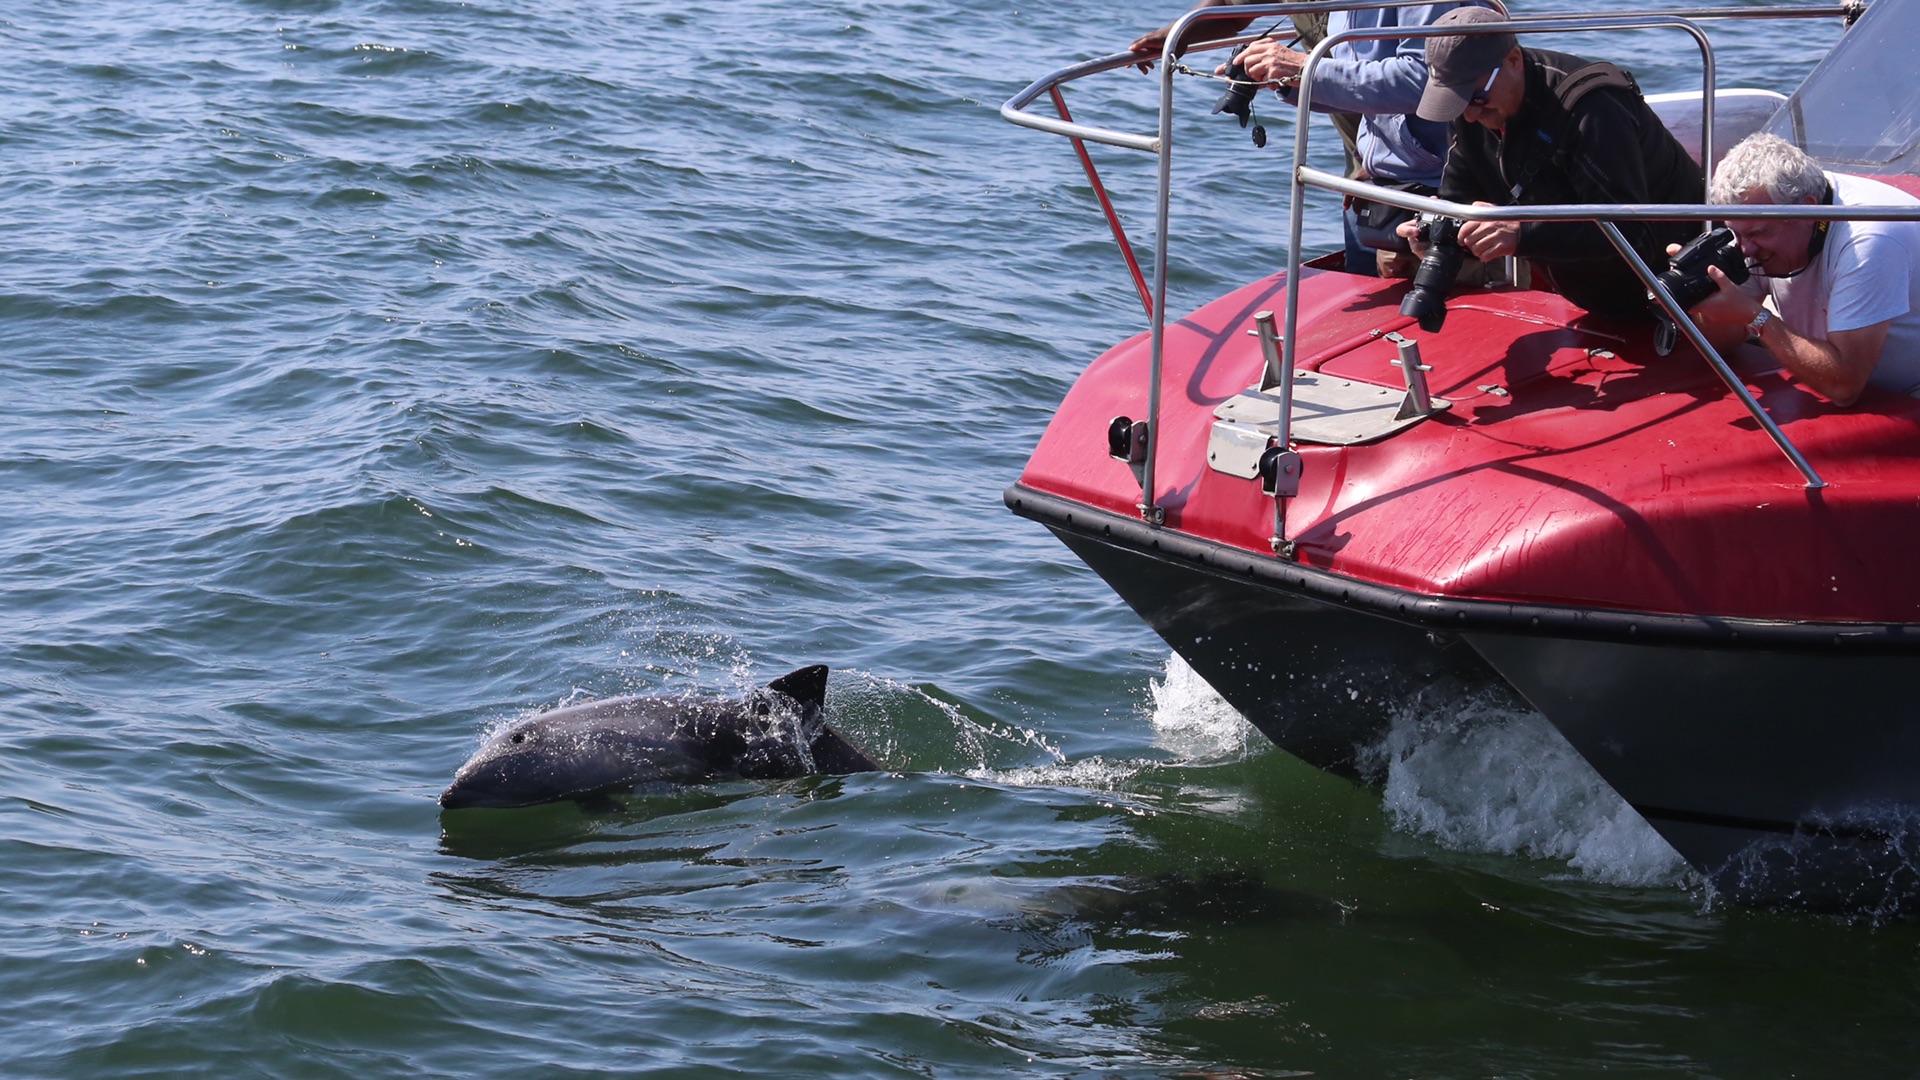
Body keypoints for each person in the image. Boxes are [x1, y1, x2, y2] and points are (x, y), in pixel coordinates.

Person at [1130, 0, 1491, 278]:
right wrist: (1285, 79)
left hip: (1439, 190)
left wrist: (1304, 68)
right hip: (1374, 184)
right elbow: (1354, 81)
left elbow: (1428, 78)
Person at [1398, 6, 1703, 318]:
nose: (1470, 115)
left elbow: (1630, 234)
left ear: (1513, 61)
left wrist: (1522, 235)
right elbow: (1460, 197)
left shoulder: (1591, 107)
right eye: (1456, 102)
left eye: (1475, 99)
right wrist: (1440, 235)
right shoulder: (1473, 109)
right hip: (1588, 297)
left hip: (1675, 294)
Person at [1677, 133, 1920, 406]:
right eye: (1735, 232)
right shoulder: (1757, 222)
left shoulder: (1870, 239)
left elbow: (1845, 385)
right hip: (1856, 393)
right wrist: (1700, 293)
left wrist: (1756, 317)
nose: (1746, 249)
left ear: (1808, 210)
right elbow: (1723, 343)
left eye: (1760, 232)